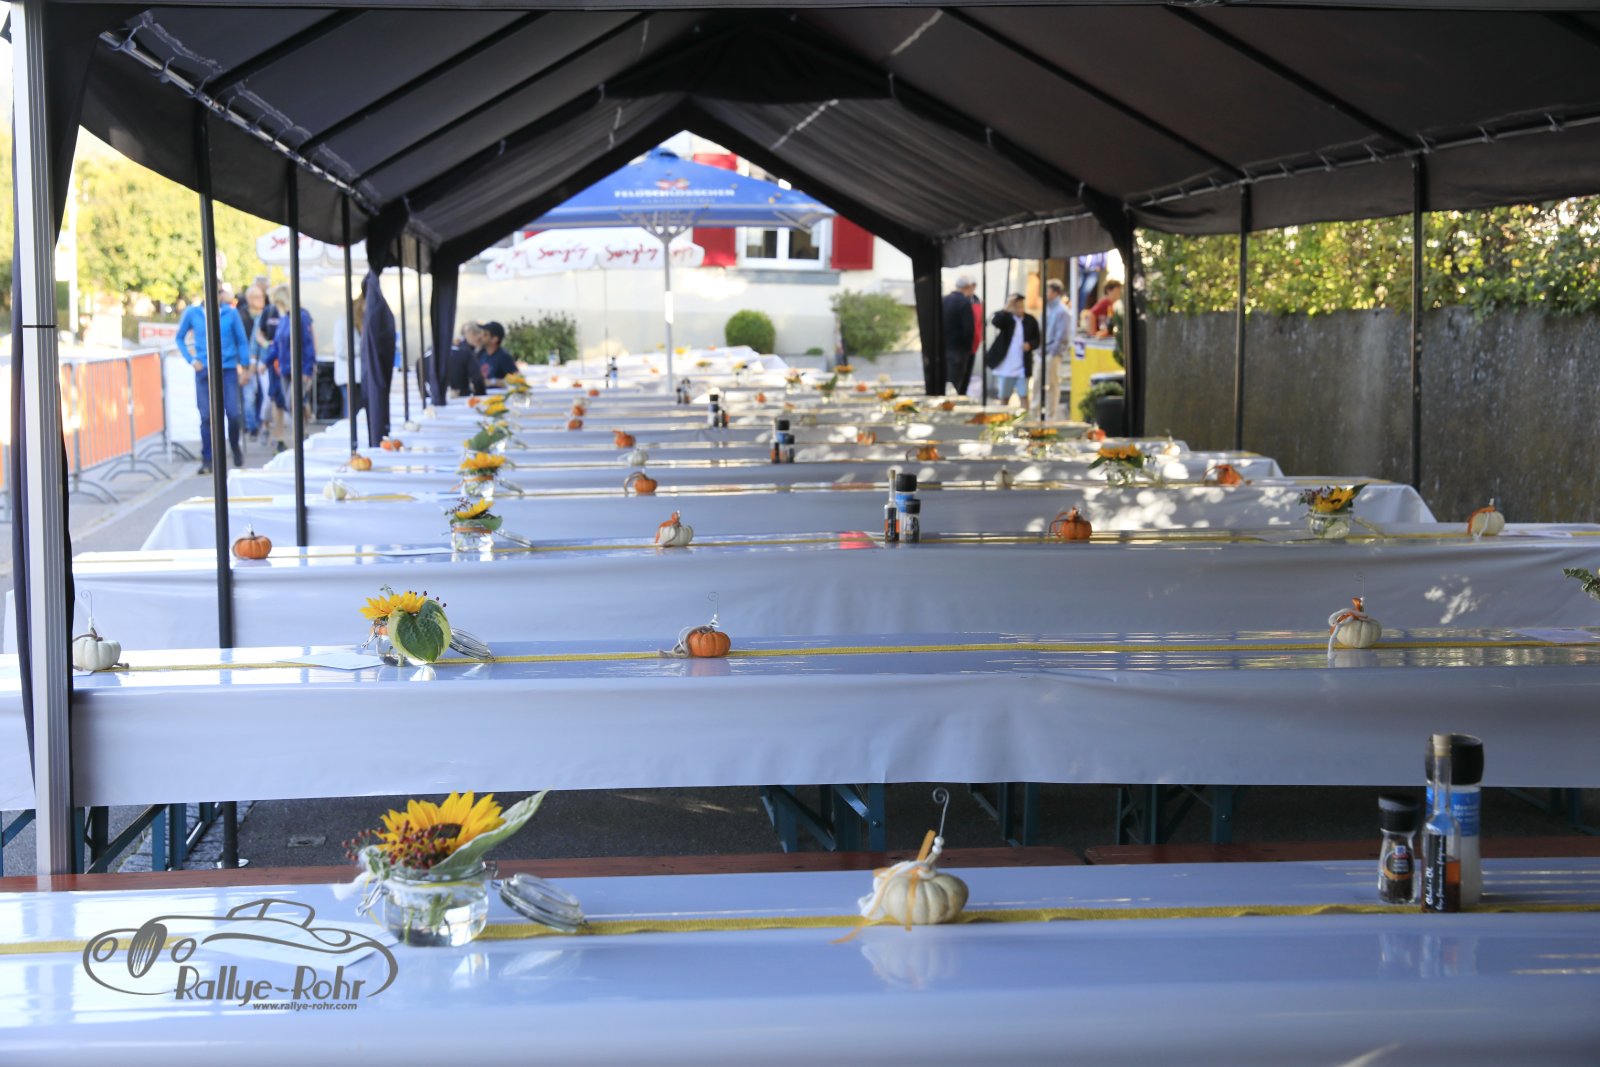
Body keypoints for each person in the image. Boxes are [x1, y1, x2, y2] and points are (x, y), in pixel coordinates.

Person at [175, 284, 250, 473]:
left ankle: (234, 446)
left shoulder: (230, 313)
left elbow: (241, 340)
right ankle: (208, 458)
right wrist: (192, 359)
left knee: (233, 413)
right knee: (207, 416)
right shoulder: (193, 313)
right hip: (204, 370)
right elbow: (179, 337)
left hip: (227, 369)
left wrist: (245, 365)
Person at [262, 285, 316, 453]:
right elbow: (277, 346)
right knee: (289, 403)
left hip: (299, 368)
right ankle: (302, 435)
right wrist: (266, 362)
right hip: (285, 370)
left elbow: (308, 344)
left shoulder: (301, 317)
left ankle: (302, 435)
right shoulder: (285, 319)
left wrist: (307, 370)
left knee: (293, 402)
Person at [984, 293, 1039, 406]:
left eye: (1021, 306)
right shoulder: (1007, 318)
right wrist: (1007, 307)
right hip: (1007, 365)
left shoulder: (1030, 320)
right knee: (1004, 396)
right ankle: (1003, 415)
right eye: (1017, 306)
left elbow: (1037, 339)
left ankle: (1025, 416)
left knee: (1023, 395)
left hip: (1022, 365)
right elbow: (996, 321)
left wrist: (1030, 345)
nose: (1020, 309)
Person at [238, 284, 267, 441]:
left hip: (263, 361)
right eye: (257, 297)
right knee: (249, 397)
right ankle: (252, 427)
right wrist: (242, 364)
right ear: (249, 299)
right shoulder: (241, 315)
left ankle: (261, 424)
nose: (261, 300)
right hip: (246, 362)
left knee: (263, 396)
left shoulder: (267, 313)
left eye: (262, 296)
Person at [941, 275, 978, 393]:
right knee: (955, 387)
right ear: (967, 287)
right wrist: (968, 349)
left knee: (944, 384)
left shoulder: (943, 300)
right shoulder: (964, 302)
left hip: (942, 350)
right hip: (959, 351)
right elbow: (969, 329)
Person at [1042, 279, 1069, 418]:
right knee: (1039, 385)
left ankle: (1050, 417)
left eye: (1048, 290)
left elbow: (1062, 335)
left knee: (1051, 385)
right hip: (1043, 351)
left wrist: (1053, 352)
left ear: (1055, 292)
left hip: (1052, 352)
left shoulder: (1062, 311)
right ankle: (1037, 414)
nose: (1045, 293)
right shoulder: (1047, 308)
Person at [446, 322, 487, 397]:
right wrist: (481, 396)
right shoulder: (466, 352)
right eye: (478, 337)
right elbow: (478, 380)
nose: (480, 339)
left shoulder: (455, 349)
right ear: (470, 334)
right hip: (463, 395)